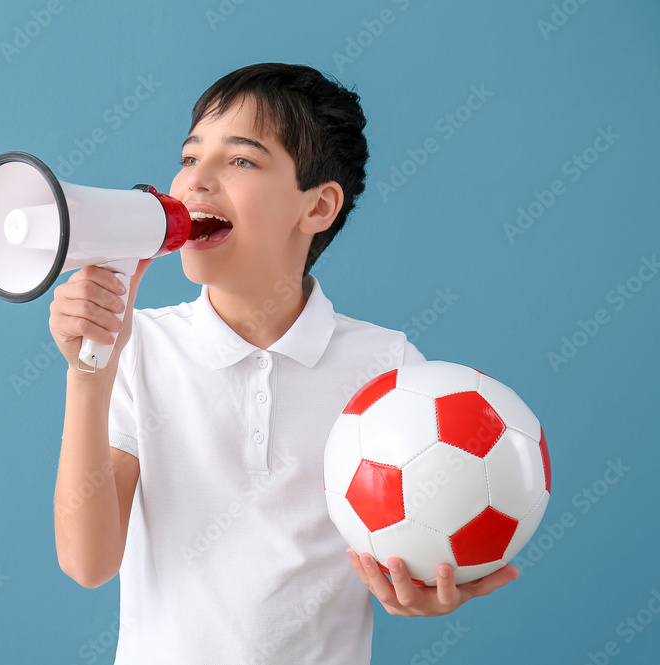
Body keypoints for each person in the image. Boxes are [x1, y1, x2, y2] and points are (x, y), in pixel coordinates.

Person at [48, 62, 517, 664]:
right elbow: (88, 563)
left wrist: (421, 586)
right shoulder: (140, 347)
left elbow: (420, 536)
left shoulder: (388, 369)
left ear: (318, 207)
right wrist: (89, 372)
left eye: (241, 160)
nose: (196, 181)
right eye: (190, 157)